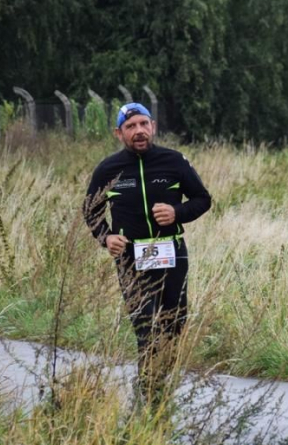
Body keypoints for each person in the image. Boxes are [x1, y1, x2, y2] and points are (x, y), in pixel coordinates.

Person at [83, 102, 212, 401]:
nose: (138, 131)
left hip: (172, 254)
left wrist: (177, 212)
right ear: (119, 133)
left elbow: (202, 199)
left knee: (173, 323)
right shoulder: (108, 169)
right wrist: (106, 238)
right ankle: (149, 392)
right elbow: (90, 210)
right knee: (147, 326)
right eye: (131, 127)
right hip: (131, 259)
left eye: (143, 124)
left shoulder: (174, 161)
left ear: (153, 126)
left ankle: (160, 382)